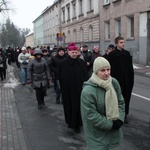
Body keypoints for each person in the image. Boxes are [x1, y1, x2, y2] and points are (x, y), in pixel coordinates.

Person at [81, 57, 125, 150]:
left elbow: (120, 101)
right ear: (96, 71)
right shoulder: (88, 91)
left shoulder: (113, 82)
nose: (107, 73)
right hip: (97, 133)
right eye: (102, 70)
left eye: (108, 69)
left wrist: (120, 118)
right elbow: (91, 114)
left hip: (113, 130)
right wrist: (110, 124)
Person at [59, 42, 88, 133]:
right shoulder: (63, 63)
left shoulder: (81, 62)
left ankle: (78, 124)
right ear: (68, 52)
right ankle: (71, 122)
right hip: (69, 90)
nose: (74, 54)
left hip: (80, 89)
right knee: (70, 106)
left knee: (80, 106)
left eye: (76, 52)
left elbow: (85, 75)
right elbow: (62, 78)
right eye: (72, 52)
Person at [107, 37, 134, 123]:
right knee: (116, 99)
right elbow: (108, 68)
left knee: (126, 98)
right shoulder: (112, 55)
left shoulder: (127, 54)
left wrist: (131, 80)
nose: (123, 44)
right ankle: (116, 115)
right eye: (121, 42)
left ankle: (124, 115)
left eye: (123, 42)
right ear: (116, 44)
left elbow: (130, 69)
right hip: (116, 81)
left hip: (126, 81)